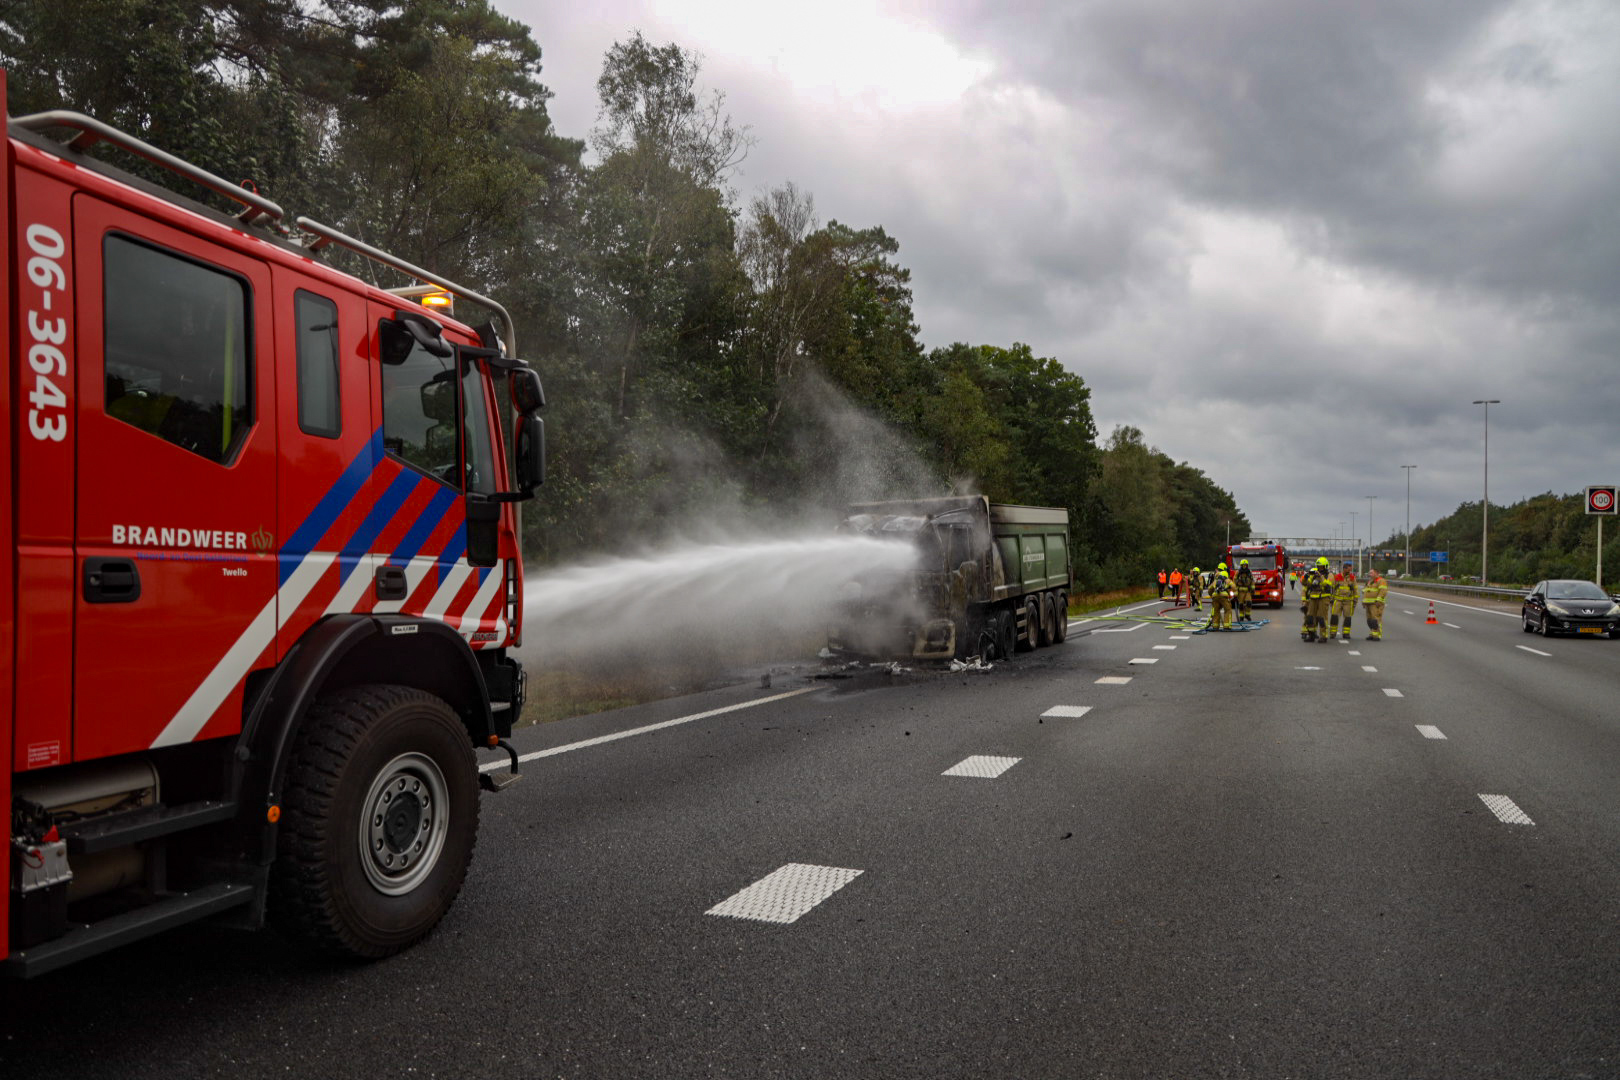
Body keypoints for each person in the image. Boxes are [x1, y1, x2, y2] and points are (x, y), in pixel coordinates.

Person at [1301, 557, 1333, 642]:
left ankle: (1323, 636)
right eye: (1318, 566)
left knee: (1321, 617)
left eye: (1321, 567)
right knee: (1310, 617)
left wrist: (1321, 577)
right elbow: (1306, 584)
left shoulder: (1329, 575)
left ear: (1325, 566)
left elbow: (1328, 585)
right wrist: (1306, 577)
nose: (1320, 568)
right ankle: (1311, 635)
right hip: (1313, 597)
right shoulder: (1314, 575)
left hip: (1323, 597)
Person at [1330, 561, 1359, 641]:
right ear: (1344, 568)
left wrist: (1355, 600)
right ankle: (1332, 633)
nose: (1350, 571)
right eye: (1349, 569)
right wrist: (1331, 600)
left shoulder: (1352, 578)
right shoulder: (1337, 577)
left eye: (1350, 570)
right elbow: (1332, 589)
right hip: (1338, 600)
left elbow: (1355, 590)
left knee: (1347, 618)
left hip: (1348, 601)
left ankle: (1346, 633)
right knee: (1334, 616)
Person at [1362, 567, 1388, 641]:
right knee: (1369, 620)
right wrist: (1363, 601)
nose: (1369, 574)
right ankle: (1372, 634)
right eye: (1369, 573)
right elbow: (1365, 591)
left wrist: (1378, 601)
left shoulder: (1381, 581)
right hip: (1368, 603)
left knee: (1375, 620)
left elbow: (1383, 591)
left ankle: (1377, 635)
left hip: (1375, 604)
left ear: (1376, 573)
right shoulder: (1369, 581)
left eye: (1371, 573)